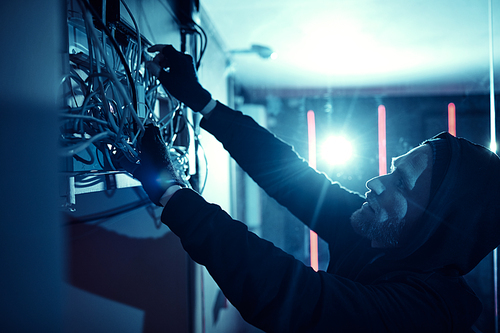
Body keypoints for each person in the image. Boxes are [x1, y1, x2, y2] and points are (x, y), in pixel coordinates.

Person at [121, 44, 500, 332]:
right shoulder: (375, 231)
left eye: (400, 184)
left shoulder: (428, 312)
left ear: (440, 228)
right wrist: (203, 101)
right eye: (391, 170)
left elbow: (294, 297)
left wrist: (171, 190)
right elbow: (289, 175)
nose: (375, 183)